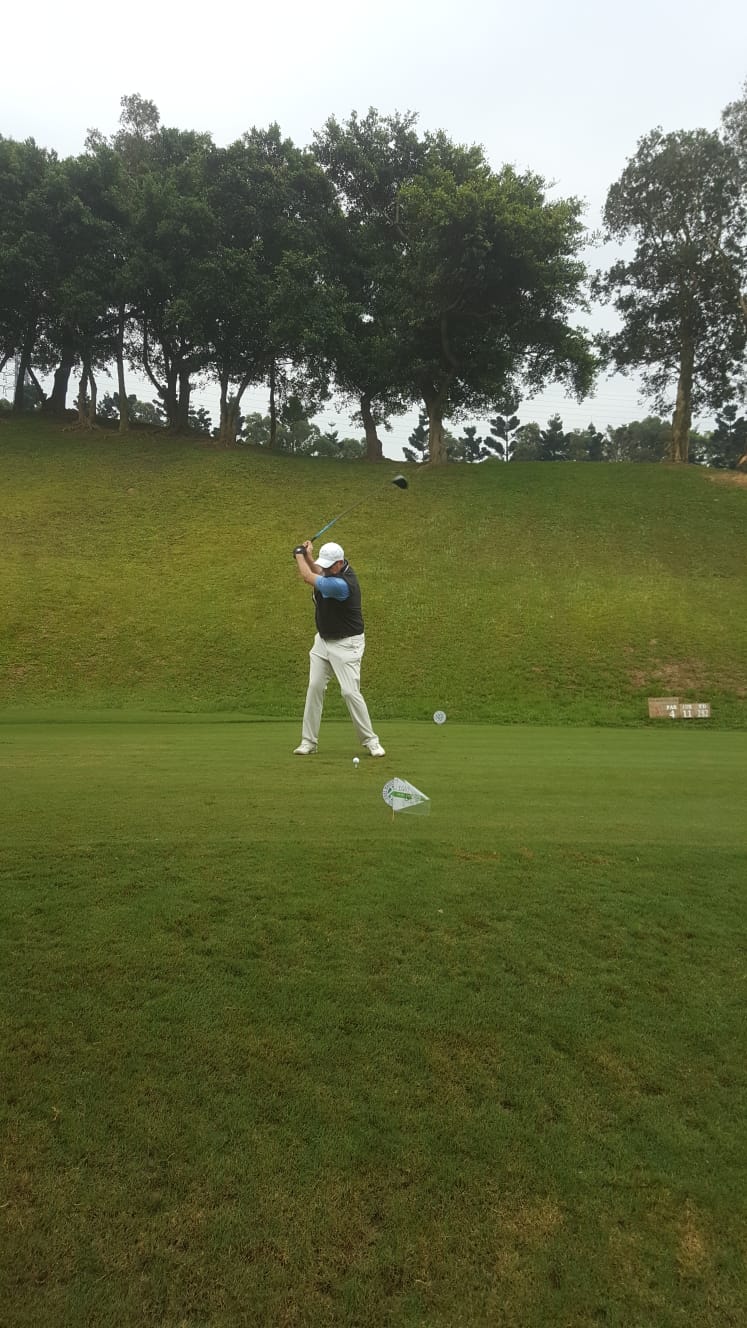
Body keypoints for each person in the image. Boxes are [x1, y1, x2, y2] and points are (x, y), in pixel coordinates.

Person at [292, 539, 385, 756]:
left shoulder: (342, 585)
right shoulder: (332, 572)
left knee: (350, 692)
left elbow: (308, 576)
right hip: (323, 641)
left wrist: (298, 554)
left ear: (340, 563)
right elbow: (318, 572)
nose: (324, 568)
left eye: (328, 565)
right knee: (314, 686)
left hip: (347, 644)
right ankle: (308, 742)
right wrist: (308, 555)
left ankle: (371, 741)